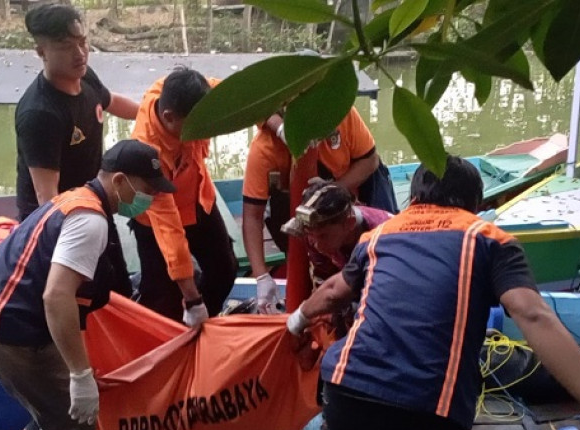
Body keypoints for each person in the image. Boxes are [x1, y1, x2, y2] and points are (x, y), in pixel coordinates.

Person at [285, 155, 580, 430]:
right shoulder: (489, 238)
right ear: (474, 205)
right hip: (419, 412)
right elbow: (532, 314)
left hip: (345, 388)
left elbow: (330, 293)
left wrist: (295, 321)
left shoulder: (378, 235)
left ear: (414, 199)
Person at [0, 140, 175, 430]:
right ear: (120, 181)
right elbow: (57, 296)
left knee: (56, 416)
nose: (150, 198)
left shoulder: (76, 199)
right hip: (6, 334)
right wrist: (79, 374)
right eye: (148, 190)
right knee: (71, 428)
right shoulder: (90, 221)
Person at [243, 107, 395, 314]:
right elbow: (252, 216)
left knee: (374, 262)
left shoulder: (342, 114)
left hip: (352, 190)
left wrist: (333, 191)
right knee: (317, 252)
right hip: (307, 206)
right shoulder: (264, 149)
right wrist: (261, 275)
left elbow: (370, 160)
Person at [130, 67, 237, 322]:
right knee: (161, 296)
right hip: (156, 219)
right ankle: (174, 336)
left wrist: (275, 122)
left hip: (198, 198)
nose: (205, 129)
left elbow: (236, 93)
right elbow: (171, 234)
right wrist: (192, 298)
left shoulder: (177, 92)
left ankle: (201, 325)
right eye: (197, 126)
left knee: (225, 269)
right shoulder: (147, 155)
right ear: (169, 118)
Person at [16, 3, 139, 220]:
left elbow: (111, 101)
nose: (80, 53)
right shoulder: (40, 114)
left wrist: (151, 114)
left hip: (90, 199)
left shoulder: (84, 76)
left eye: (82, 42)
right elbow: (46, 197)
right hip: (55, 218)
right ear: (42, 52)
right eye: (66, 46)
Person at [278, 180, 391, 335]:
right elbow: (323, 278)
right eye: (310, 235)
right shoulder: (314, 234)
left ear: (349, 223)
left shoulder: (384, 235)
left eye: (322, 236)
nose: (315, 244)